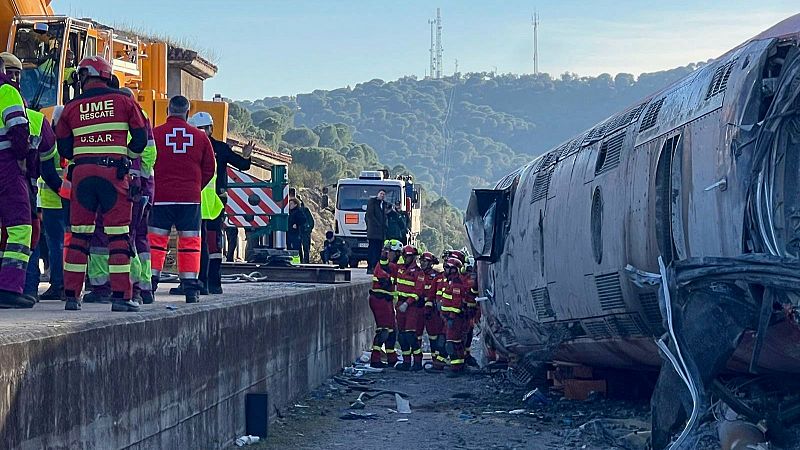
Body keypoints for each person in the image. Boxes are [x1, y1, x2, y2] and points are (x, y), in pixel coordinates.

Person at [55, 56, 148, 312]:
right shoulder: (124, 101)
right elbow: (140, 138)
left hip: (82, 176)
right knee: (118, 237)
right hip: (113, 174)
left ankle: (72, 296)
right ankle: (120, 296)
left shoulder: (71, 107)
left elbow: (63, 146)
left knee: (79, 237)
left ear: (85, 76)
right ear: (107, 74)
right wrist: (125, 159)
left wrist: (85, 157)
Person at [148, 96, 215, 304]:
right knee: (190, 244)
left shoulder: (155, 134)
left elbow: (147, 161)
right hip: (190, 200)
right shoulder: (201, 138)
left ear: (168, 110)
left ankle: (150, 286)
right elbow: (209, 169)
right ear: (188, 113)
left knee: (156, 243)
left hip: (160, 198)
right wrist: (194, 187)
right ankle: (191, 288)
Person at [189, 112, 252, 294]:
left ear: (210, 129)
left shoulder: (194, 146)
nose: (201, 132)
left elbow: (243, 165)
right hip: (210, 201)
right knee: (208, 243)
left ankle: (206, 282)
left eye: (203, 129)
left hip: (204, 201)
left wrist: (246, 156)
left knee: (204, 242)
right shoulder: (220, 148)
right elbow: (242, 164)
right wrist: (245, 158)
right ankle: (210, 284)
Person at [368, 239, 402, 368]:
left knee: (392, 331)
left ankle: (391, 358)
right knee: (383, 331)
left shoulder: (393, 266)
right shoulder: (383, 265)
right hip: (379, 300)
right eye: (396, 253)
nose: (398, 256)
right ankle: (375, 359)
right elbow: (386, 278)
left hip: (386, 301)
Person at [393, 245, 427, 371]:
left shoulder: (419, 273)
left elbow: (418, 291)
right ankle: (406, 361)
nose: (405, 258)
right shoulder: (400, 269)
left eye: (407, 256)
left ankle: (417, 361)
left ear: (412, 257)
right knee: (401, 335)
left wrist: (407, 303)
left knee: (410, 335)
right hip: (400, 305)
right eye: (404, 256)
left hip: (411, 307)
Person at [440, 257, 470, 377]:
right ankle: (457, 367)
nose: (445, 270)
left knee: (452, 344)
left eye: (447, 268)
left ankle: (456, 368)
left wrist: (452, 317)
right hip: (450, 318)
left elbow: (457, 304)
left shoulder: (456, 284)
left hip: (455, 319)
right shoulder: (451, 282)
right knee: (454, 343)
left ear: (453, 270)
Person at [420, 252, 448, 371]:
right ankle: (435, 360)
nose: (422, 263)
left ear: (431, 263)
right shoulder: (418, 274)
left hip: (437, 312)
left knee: (441, 337)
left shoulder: (436, 276)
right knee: (430, 337)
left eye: (425, 261)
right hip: (423, 309)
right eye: (421, 261)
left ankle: (440, 361)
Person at [365, 189, 388, 272]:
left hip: (381, 234)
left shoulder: (384, 204)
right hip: (373, 232)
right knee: (372, 249)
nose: (382, 195)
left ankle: (376, 267)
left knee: (378, 250)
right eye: (381, 193)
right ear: (378, 194)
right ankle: (370, 266)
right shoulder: (372, 202)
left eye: (384, 194)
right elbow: (370, 215)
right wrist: (378, 224)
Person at [297, 196, 314, 264]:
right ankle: (300, 262)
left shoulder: (305, 210)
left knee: (306, 248)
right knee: (298, 248)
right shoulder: (293, 211)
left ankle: (306, 262)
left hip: (305, 232)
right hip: (297, 232)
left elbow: (311, 222)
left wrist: (308, 229)